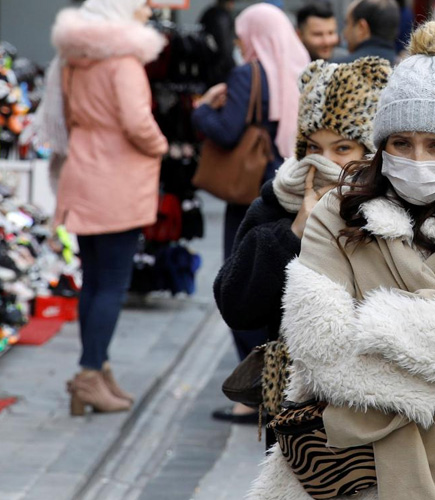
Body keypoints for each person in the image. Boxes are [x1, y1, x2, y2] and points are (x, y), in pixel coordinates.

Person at [248, 22, 435, 500]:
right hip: (348, 463)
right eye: (401, 143)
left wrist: (371, 322)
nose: (417, 158)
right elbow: (319, 347)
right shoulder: (336, 214)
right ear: (382, 146)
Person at [213, 55, 391, 444]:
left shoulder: (396, 211)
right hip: (296, 409)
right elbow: (235, 305)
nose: (324, 163)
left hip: (378, 409)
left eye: (342, 148)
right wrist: (292, 234)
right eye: (313, 147)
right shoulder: (278, 203)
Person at [47, 0, 168, 415]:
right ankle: (88, 374)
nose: (148, 11)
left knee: (95, 279)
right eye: (142, 4)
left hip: (83, 172)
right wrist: (161, 145)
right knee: (113, 283)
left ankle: (98, 370)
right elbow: (137, 123)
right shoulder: (123, 63)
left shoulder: (74, 60)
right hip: (117, 178)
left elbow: (65, 115)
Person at [191, 3, 309, 424]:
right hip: (290, 186)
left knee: (241, 282)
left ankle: (254, 393)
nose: (240, 43)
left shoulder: (248, 74)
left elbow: (227, 132)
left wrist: (203, 109)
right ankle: (277, 385)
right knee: (278, 288)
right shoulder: (299, 69)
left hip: (250, 193)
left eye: (243, 36)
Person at [335, 0, 400, 65]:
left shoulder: (339, 67)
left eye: (347, 23)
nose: (344, 33)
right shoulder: (402, 67)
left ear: (361, 28)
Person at [199, 0, 236, 85]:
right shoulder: (222, 16)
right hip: (220, 65)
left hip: (207, 62)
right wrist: (230, 64)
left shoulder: (209, 13)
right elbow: (224, 42)